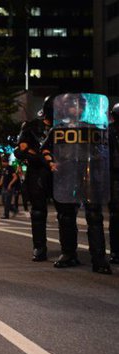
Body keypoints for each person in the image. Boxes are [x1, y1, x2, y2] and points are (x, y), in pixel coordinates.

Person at [41, 93, 112, 274]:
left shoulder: (93, 128)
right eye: (74, 105)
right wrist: (51, 163)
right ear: (66, 108)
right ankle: (68, 253)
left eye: (81, 105)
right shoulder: (59, 130)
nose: (77, 109)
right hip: (66, 175)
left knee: (94, 216)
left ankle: (99, 258)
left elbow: (104, 149)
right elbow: (46, 149)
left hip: (89, 175)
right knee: (65, 215)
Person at [14, 96, 54, 261]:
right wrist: (37, 156)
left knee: (67, 213)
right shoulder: (31, 127)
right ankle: (39, 247)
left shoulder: (64, 128)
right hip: (37, 173)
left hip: (59, 173)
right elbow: (20, 150)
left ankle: (69, 251)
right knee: (38, 212)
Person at [108, 103, 119, 264]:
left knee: (116, 215)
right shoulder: (109, 132)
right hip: (114, 175)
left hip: (114, 175)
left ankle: (116, 252)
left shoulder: (109, 131)